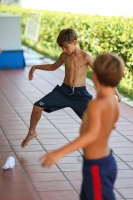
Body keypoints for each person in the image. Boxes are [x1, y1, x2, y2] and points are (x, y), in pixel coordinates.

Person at [39, 53, 124, 200]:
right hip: (104, 161)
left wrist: (59, 152)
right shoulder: (112, 102)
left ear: (95, 77)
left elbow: (91, 135)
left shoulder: (96, 105)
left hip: (97, 166)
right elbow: (112, 125)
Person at [21, 28, 121, 148]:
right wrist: (36, 67)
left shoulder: (86, 56)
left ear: (74, 42)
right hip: (64, 91)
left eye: (66, 47)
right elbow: (53, 66)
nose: (64, 50)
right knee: (37, 107)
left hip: (80, 95)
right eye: (62, 48)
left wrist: (114, 90)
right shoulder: (64, 55)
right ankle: (32, 132)